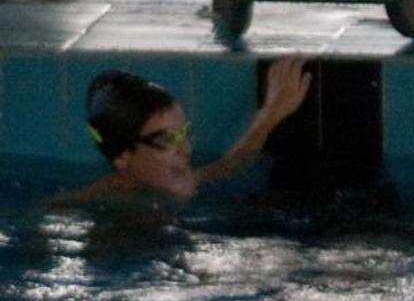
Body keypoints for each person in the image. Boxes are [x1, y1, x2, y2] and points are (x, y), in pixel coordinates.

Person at [51, 57, 312, 207]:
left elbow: (228, 166)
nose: (186, 149)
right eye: (167, 140)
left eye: (184, 133)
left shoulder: (164, 181)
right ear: (122, 156)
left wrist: (270, 115)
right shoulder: (104, 201)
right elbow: (46, 213)